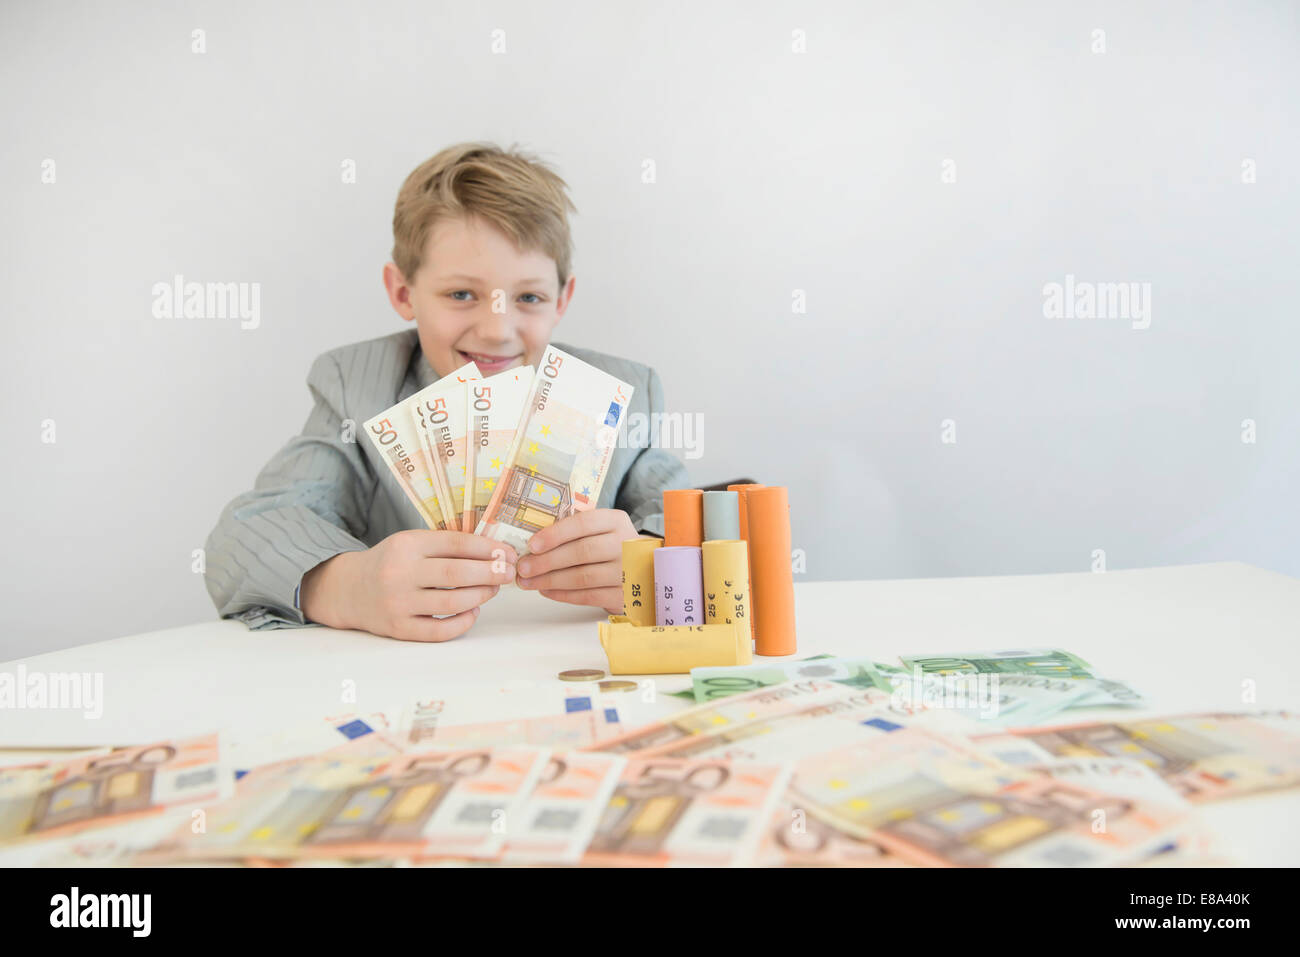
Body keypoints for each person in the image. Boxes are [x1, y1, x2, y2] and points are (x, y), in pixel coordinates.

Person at [203, 143, 688, 641]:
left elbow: (702, 524)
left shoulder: (623, 394)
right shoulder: (358, 388)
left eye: (528, 297)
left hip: (565, 661)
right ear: (403, 293)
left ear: (561, 300)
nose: (498, 329)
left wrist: (651, 560)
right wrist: (349, 585)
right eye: (461, 294)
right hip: (412, 673)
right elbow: (244, 537)